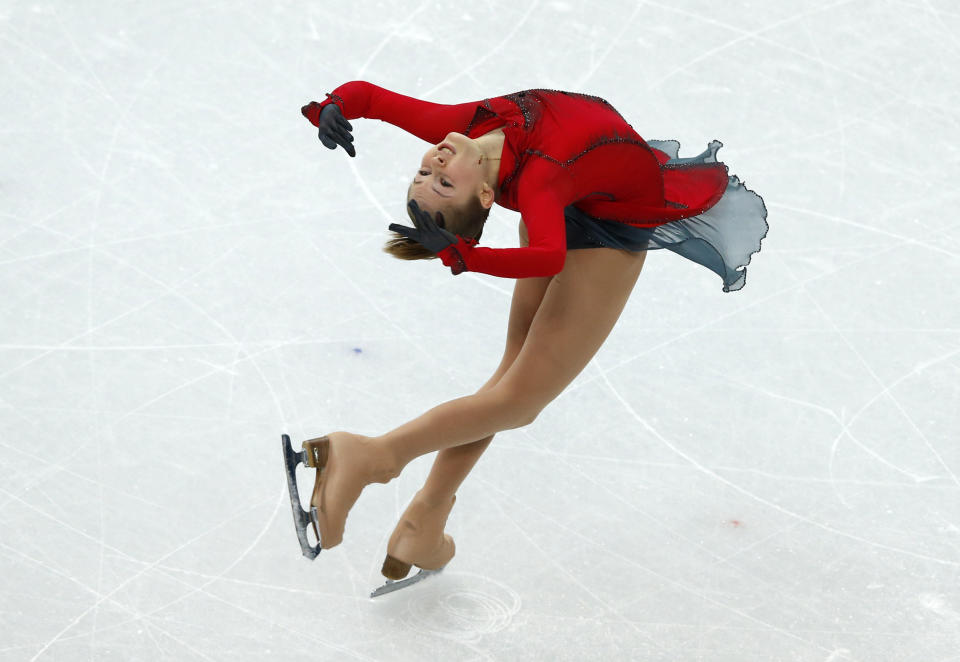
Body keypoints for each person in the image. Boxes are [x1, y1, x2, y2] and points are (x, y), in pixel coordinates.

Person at [291, 81, 768, 586]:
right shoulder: (537, 177)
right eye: (441, 182)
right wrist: (464, 255)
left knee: (506, 386)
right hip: (599, 225)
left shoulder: (468, 128)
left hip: (576, 199)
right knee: (518, 401)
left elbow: (373, 98)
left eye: (426, 173)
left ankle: (421, 523)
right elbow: (549, 255)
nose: (435, 160)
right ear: (483, 194)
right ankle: (374, 457)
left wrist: (336, 106)